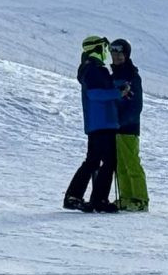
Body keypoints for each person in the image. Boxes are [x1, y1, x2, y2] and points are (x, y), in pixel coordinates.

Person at [63, 36, 119, 212]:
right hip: (102, 122)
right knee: (108, 161)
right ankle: (98, 199)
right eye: (104, 48)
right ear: (98, 49)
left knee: (94, 160)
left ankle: (76, 196)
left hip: (98, 122)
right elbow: (95, 94)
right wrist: (118, 93)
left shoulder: (91, 69)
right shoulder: (93, 69)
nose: (106, 52)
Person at [110, 38, 149, 211]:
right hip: (114, 126)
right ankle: (126, 197)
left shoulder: (132, 76)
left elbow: (136, 105)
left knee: (131, 162)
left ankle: (140, 199)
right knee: (120, 164)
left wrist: (123, 121)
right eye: (114, 53)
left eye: (120, 53)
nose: (116, 57)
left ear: (126, 54)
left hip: (128, 127)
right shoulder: (113, 76)